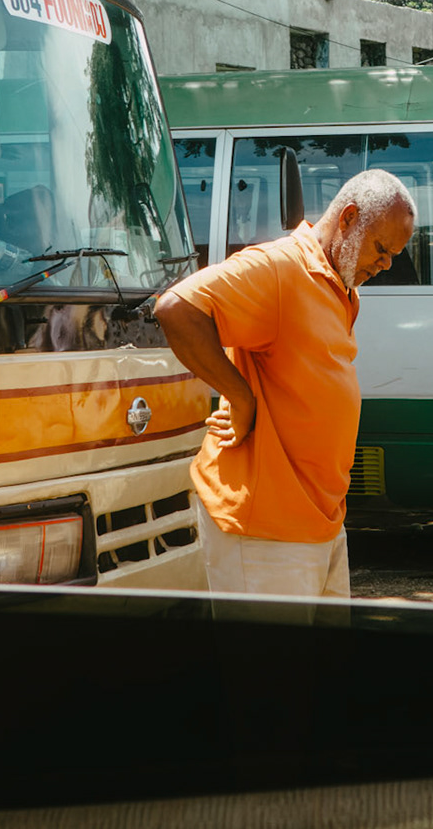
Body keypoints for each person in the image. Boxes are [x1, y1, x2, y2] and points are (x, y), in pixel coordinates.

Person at [154, 168, 416, 600]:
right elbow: (176, 308)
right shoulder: (279, 268)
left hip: (319, 522)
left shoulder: (342, 288)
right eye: (382, 249)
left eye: (393, 256)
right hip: (265, 530)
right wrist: (239, 398)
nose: (385, 265)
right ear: (348, 217)